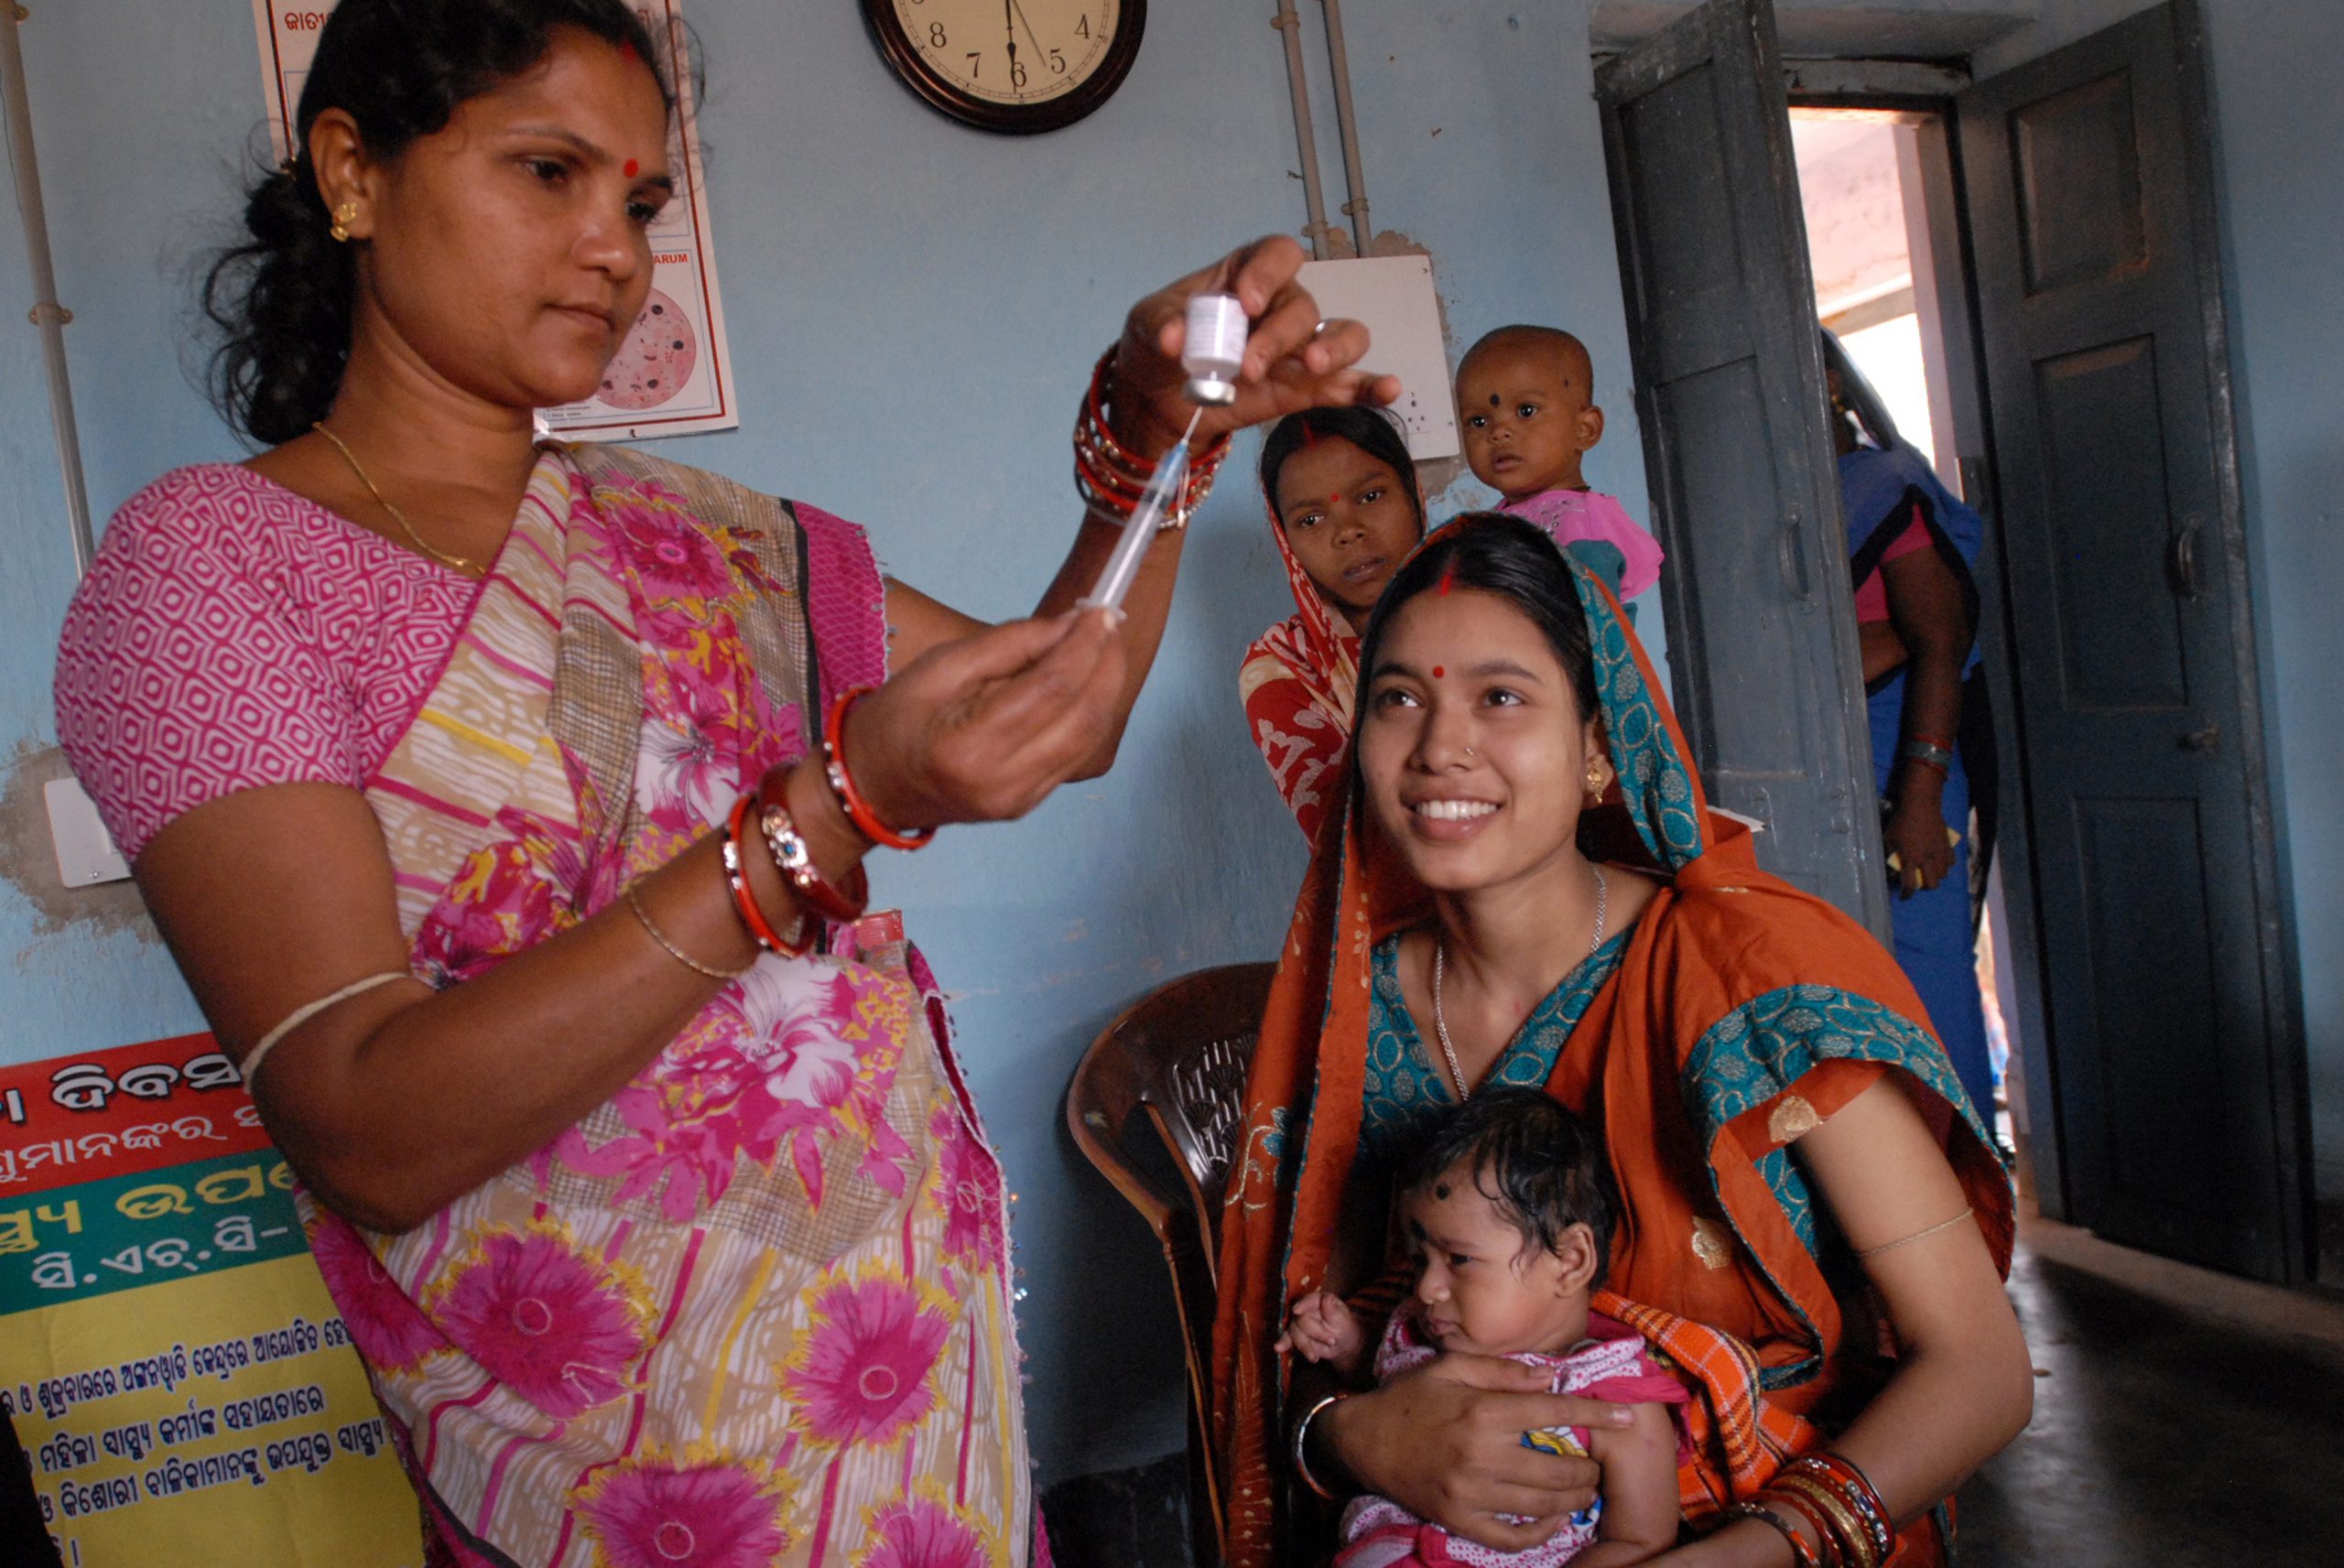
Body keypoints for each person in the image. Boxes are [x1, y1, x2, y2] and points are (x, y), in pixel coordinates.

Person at [49, 4, 1396, 1563]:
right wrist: (825, 815)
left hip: (910, 1421)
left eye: (636, 203)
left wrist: (1153, 454)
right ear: (351, 171)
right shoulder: (211, 570)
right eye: (545, 172)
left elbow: (1058, 715)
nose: (612, 250)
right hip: (622, 1476)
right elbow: (364, 1121)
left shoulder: (710, 532)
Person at [1211, 517, 2029, 1568]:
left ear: (1599, 744)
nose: (1439, 748)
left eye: (1500, 698)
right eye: (1398, 699)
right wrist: (1355, 1432)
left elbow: (1980, 1367)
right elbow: (1306, 1343)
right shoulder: (1345, 1017)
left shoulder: (1749, 982)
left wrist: (1741, 1554)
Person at [1282, 1089, 1689, 1568]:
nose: (1428, 1288)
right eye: (1419, 1261)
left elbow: (1643, 1542)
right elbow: (1380, 1384)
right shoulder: (1421, 1333)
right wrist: (1343, 1343)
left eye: (1459, 1259)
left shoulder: (1617, 1402)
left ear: (1571, 1261)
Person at [1820, 334, 1995, 1119]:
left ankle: (1965, 1209)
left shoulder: (1883, 484)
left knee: (1930, 988)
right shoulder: (1780, 501)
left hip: (1906, 754)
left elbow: (1940, 643)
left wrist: (1920, 799)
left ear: (1829, 384)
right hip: (1822, 765)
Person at [1241, 406, 1427, 843]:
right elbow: (1347, 842)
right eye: (1310, 520)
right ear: (1286, 540)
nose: (1348, 531)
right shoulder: (1282, 669)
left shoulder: (1493, 610)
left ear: (1414, 493)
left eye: (1370, 496)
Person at [1454, 328, 1664, 609]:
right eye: (1478, 421)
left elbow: (1593, 631)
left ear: (1585, 429)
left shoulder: (1584, 527)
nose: (1499, 432)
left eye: (1526, 411)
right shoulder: (1492, 522)